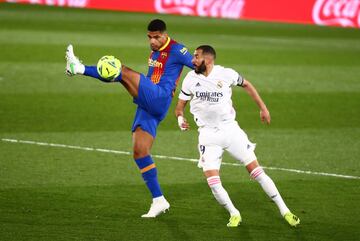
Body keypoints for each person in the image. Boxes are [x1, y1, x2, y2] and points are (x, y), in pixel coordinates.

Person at [65, 19, 194, 218]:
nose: (152, 41)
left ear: (165, 35)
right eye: (149, 37)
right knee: (140, 152)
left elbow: (199, 67)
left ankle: (78, 69)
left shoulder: (178, 50)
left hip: (159, 97)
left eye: (157, 37)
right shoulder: (154, 51)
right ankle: (159, 200)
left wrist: (209, 89)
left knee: (121, 70)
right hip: (148, 103)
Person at [175, 45, 300, 227]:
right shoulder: (190, 78)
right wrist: (180, 118)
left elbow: (247, 84)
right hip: (207, 135)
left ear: (208, 59)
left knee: (256, 172)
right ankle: (234, 213)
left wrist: (263, 108)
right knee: (212, 180)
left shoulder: (226, 74)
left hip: (231, 131)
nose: (192, 60)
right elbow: (180, 106)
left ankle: (285, 211)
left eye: (196, 57)